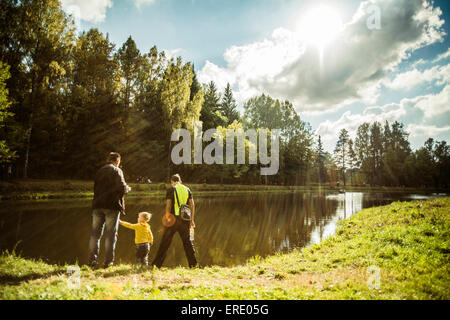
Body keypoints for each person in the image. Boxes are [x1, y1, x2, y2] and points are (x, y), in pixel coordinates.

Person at [88, 152, 131, 268]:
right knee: (111, 235)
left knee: (95, 235)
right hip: (112, 206)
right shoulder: (117, 171)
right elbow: (122, 188)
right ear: (117, 161)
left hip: (97, 205)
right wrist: (128, 188)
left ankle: (92, 262)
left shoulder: (100, 171)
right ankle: (108, 262)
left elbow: (95, 187)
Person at [152, 174, 197, 268]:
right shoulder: (187, 189)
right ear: (180, 181)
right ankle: (193, 265)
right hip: (185, 219)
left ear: (172, 182)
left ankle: (156, 265)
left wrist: (167, 218)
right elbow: (192, 205)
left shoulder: (171, 189)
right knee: (187, 242)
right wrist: (192, 220)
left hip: (173, 220)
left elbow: (168, 205)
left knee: (165, 242)